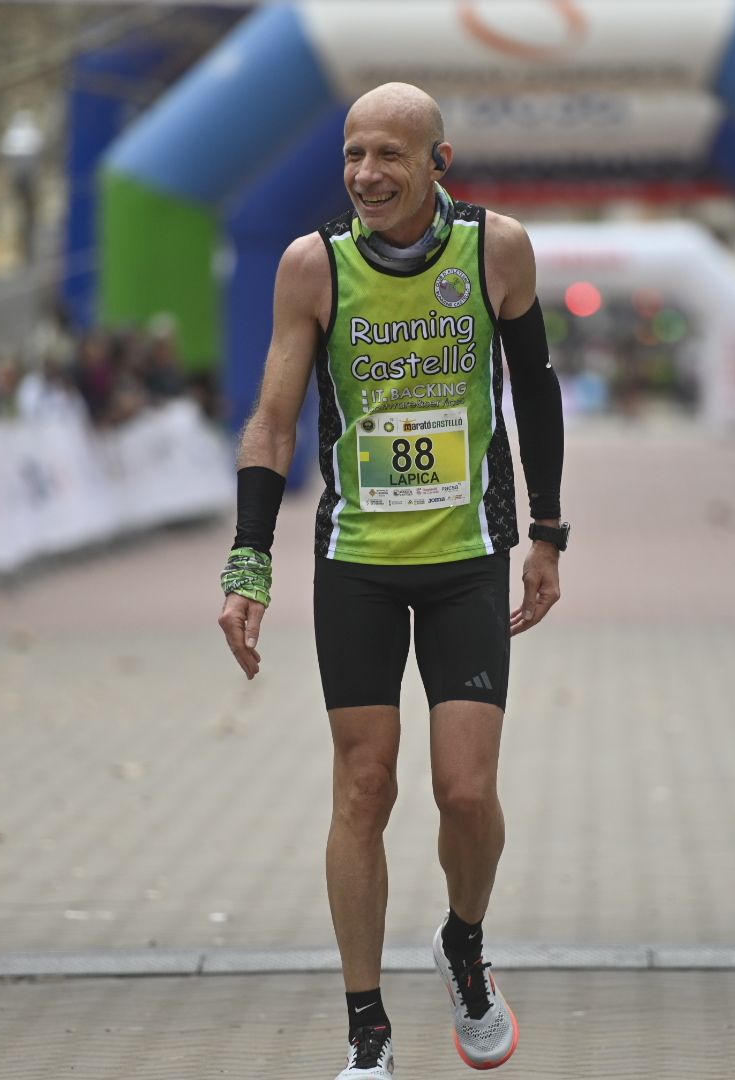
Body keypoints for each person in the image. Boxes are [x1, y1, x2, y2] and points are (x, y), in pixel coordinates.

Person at [216, 83, 566, 1080]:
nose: (367, 174)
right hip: (359, 561)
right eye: (352, 155)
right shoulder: (312, 268)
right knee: (364, 788)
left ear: (437, 165)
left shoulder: (495, 250)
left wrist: (548, 530)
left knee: (465, 793)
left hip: (466, 555)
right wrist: (250, 561)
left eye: (389, 157)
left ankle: (463, 942)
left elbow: (533, 393)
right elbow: (274, 420)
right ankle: (367, 1029)